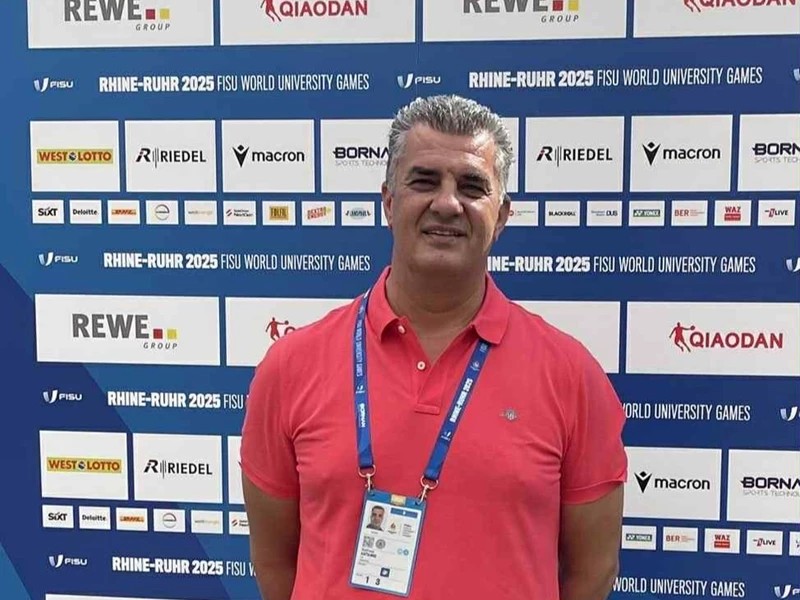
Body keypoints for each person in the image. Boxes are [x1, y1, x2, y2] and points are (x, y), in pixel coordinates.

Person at [240, 94, 628, 600]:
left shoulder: (571, 375)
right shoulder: (291, 366)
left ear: (501, 216)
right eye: (424, 181)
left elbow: (592, 572)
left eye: (472, 186)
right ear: (388, 202)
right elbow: (275, 565)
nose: (447, 203)